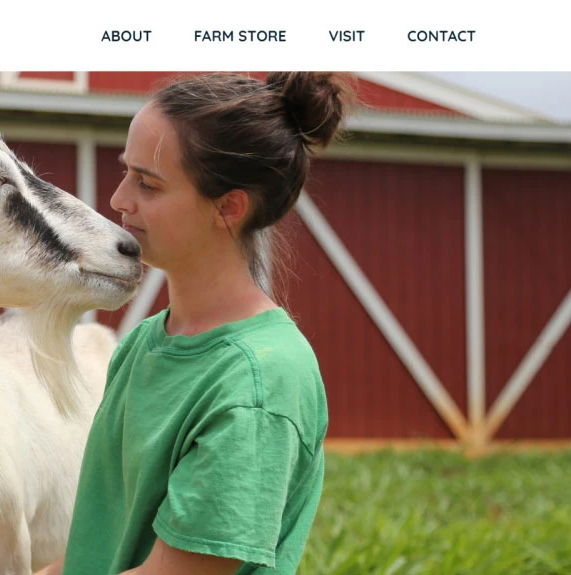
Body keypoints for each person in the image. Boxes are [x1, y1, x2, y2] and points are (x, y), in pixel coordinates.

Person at [39, 72, 355, 575]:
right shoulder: (144, 343)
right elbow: (95, 555)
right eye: (126, 172)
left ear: (228, 208)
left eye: (147, 183)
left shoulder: (258, 382)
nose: (119, 199)